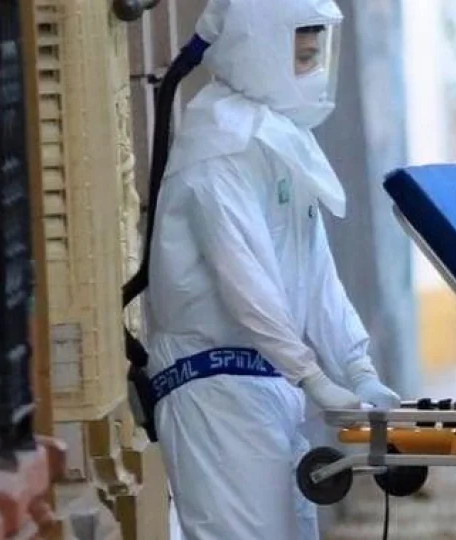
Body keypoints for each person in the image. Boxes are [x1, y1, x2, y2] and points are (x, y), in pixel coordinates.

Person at [143, 1, 401, 539]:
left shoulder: (279, 140)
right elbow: (246, 283)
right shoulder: (218, 147)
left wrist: (357, 368)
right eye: (300, 58)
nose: (312, 71)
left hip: (267, 386)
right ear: (255, 48)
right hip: (215, 390)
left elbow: (316, 275)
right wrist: (311, 374)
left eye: (314, 56)